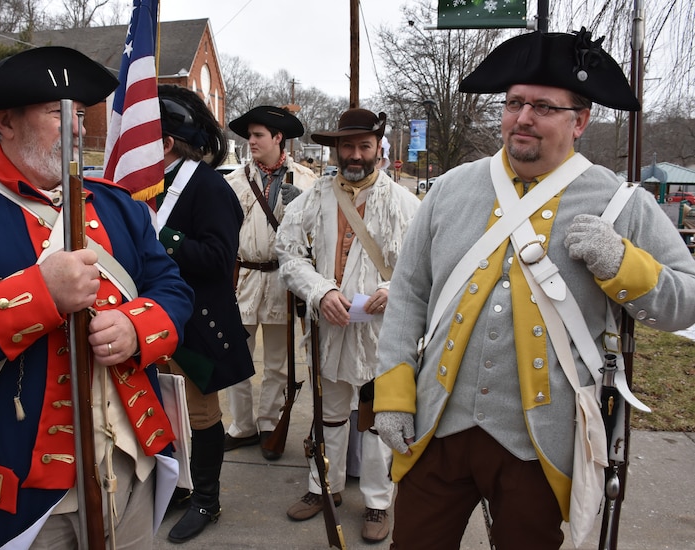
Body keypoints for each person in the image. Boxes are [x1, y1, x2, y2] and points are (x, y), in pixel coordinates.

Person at [374, 28, 695, 549]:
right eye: (515, 103)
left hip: (541, 442)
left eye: (544, 107)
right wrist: (393, 394)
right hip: (435, 428)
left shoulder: (622, 203)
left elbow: (686, 299)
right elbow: (409, 295)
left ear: (581, 121)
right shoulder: (452, 187)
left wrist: (623, 263)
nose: (523, 118)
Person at [0, 47, 195, 549]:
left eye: (78, 113)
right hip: (26, 492)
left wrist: (136, 329)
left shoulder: (119, 207)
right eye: (58, 113)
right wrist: (40, 294)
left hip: (128, 465)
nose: (76, 127)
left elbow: (173, 290)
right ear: (6, 122)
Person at [276, 108, 419, 543]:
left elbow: (423, 267)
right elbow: (289, 254)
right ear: (335, 149)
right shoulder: (314, 197)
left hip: (382, 333)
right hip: (329, 327)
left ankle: (378, 503)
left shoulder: (404, 203)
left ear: (378, 149)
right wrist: (320, 291)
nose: (355, 155)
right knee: (328, 414)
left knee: (378, 420)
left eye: (364, 147)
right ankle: (325, 488)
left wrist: (394, 289)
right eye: (347, 147)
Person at [154, 84, 254, 543]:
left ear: (166, 142)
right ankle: (175, 486)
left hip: (194, 321)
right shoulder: (154, 184)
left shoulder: (208, 185)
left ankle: (206, 501)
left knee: (200, 414)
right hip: (153, 319)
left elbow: (218, 258)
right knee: (161, 411)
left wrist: (165, 239)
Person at [223, 106, 316, 460]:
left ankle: (268, 424)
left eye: (259, 135)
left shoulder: (306, 182)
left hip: (283, 280)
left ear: (279, 138)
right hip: (242, 279)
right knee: (237, 360)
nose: (251, 142)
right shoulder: (232, 182)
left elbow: (315, 237)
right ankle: (242, 426)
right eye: (249, 135)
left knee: (278, 363)